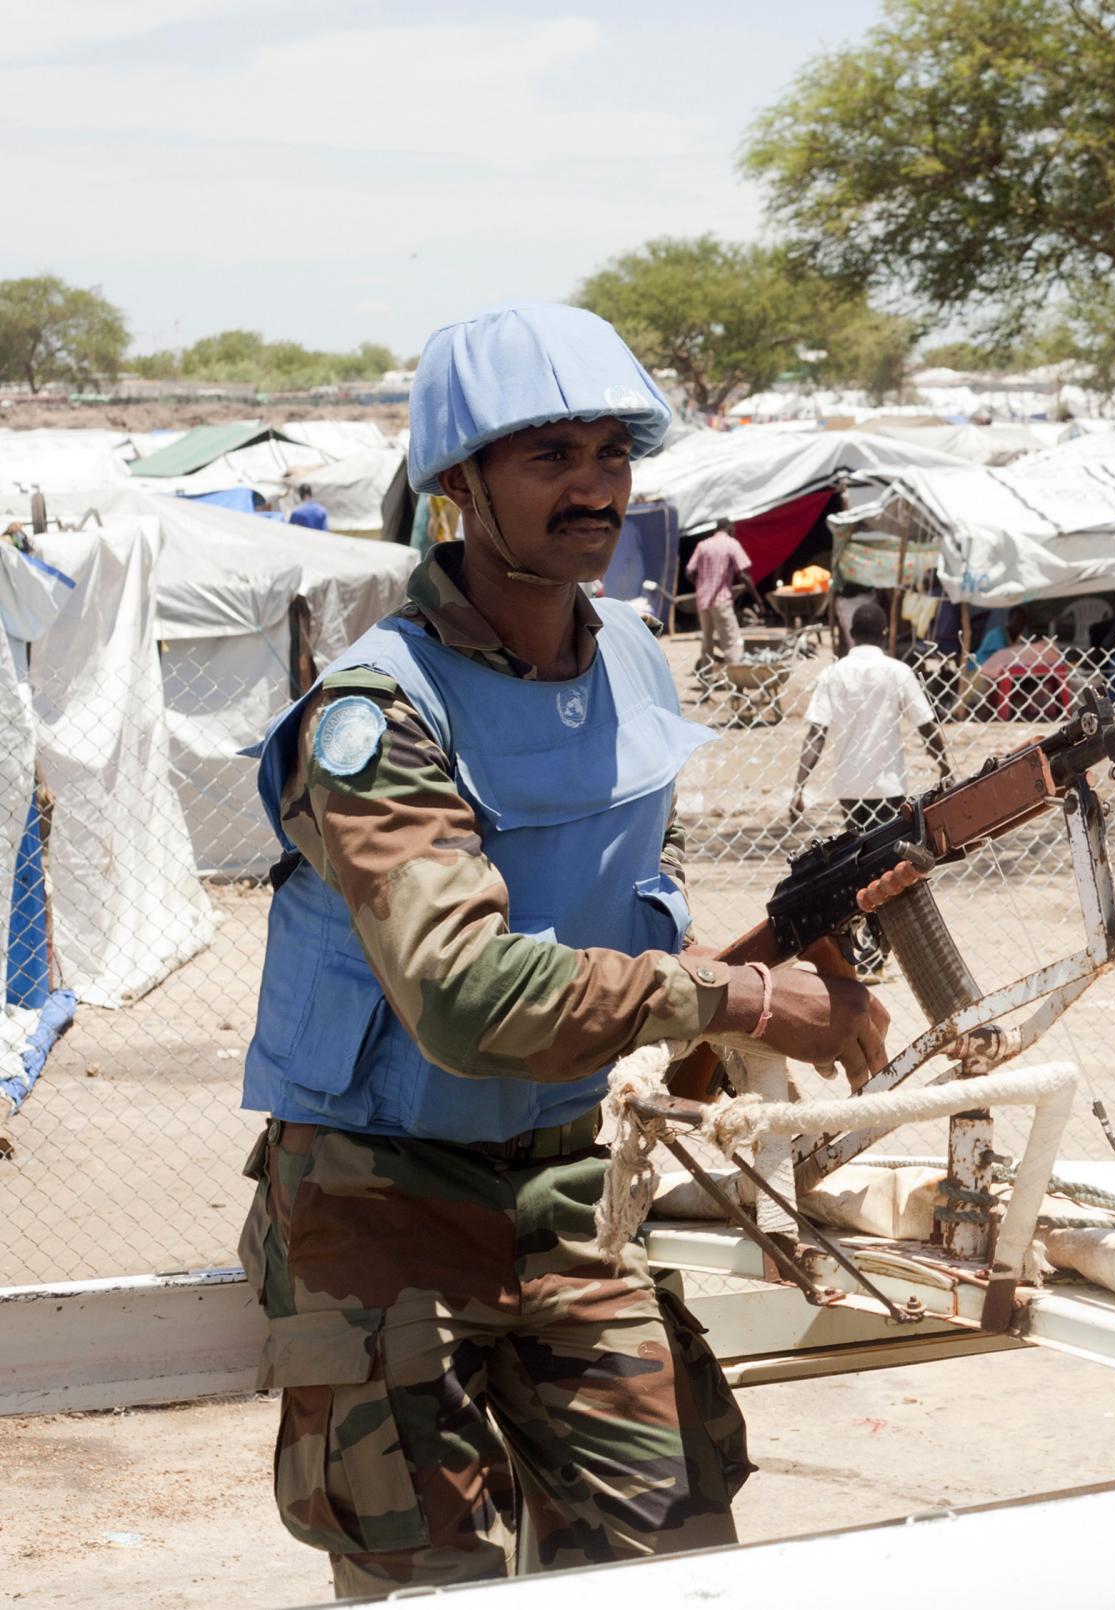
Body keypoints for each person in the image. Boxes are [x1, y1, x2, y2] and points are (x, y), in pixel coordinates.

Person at [236, 302, 917, 1596]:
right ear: (458, 483)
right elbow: (464, 996)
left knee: (671, 1539)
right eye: (548, 455)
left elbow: (632, 916)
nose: (593, 486)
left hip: (562, 1181)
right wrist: (747, 997)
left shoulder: (636, 674)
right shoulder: (379, 716)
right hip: (374, 1204)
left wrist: (774, 962)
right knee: (428, 1572)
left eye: (611, 453)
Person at [790, 601, 951, 974]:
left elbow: (816, 731)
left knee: (856, 869)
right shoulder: (897, 671)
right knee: (891, 868)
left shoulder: (834, 674)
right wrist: (943, 765)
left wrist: (800, 786)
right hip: (889, 786)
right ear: (882, 634)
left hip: (850, 786)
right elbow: (925, 724)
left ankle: (861, 951)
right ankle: (881, 953)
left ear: (852, 634)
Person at [688, 521, 761, 675]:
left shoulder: (703, 545)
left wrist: (702, 585)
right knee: (731, 643)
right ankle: (736, 685)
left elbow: (689, 571)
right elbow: (743, 574)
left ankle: (706, 685)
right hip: (721, 601)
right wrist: (758, 600)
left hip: (703, 603)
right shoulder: (731, 544)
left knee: (707, 644)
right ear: (730, 528)